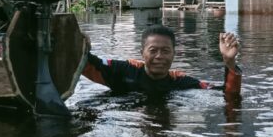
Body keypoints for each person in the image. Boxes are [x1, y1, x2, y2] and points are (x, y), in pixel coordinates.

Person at [82, 24, 242, 96]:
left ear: (174, 54)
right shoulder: (125, 70)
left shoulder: (180, 81)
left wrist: (229, 62)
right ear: (142, 53)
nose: (159, 56)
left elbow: (228, 93)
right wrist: (81, 46)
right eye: (153, 51)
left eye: (165, 51)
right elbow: (87, 64)